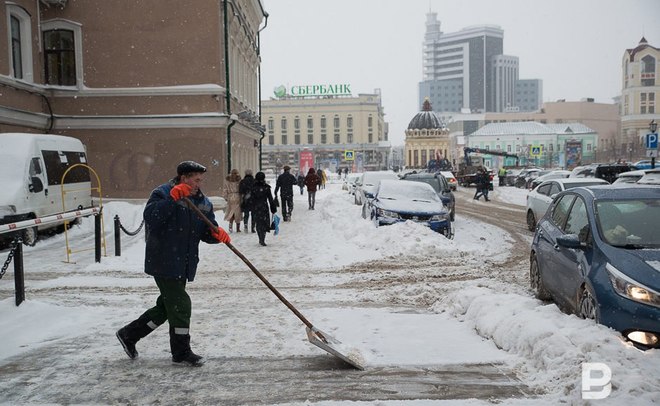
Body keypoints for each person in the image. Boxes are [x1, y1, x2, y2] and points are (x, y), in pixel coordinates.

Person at [116, 161, 230, 367]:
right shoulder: (162, 193)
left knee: (168, 307)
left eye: (200, 180)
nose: (198, 184)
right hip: (164, 260)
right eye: (195, 179)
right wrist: (172, 199)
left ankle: (129, 334)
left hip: (184, 262)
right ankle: (181, 351)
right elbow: (152, 218)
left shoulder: (202, 201)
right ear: (183, 177)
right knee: (181, 304)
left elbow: (205, 230)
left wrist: (216, 234)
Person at [251, 171, 277, 246]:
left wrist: (250, 206)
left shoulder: (253, 187)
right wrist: (273, 208)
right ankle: (263, 238)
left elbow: (251, 199)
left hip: (256, 207)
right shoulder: (266, 187)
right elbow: (270, 199)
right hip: (264, 207)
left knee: (258, 223)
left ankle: (260, 237)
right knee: (264, 222)